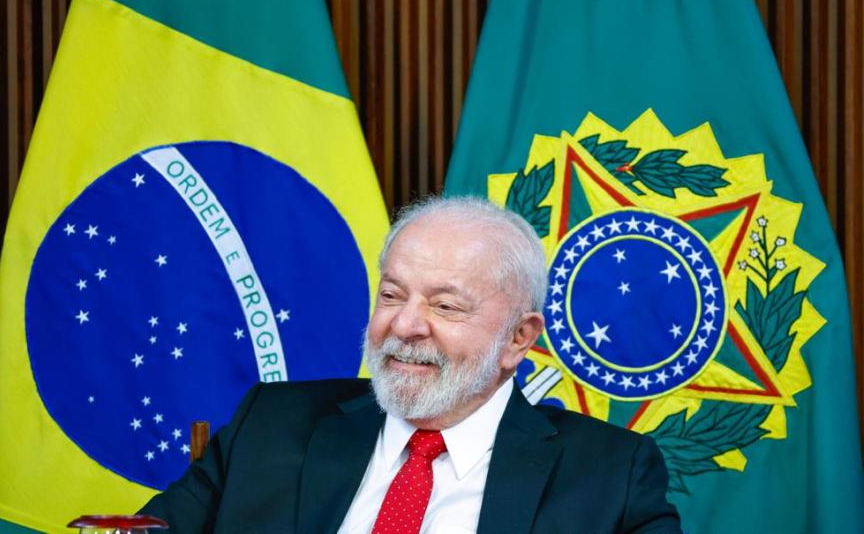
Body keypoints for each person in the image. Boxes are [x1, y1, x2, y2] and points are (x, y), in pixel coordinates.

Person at [141, 196, 681, 533]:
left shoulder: (611, 475)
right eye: (393, 295)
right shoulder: (272, 423)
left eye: (445, 306)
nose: (405, 326)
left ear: (518, 339)